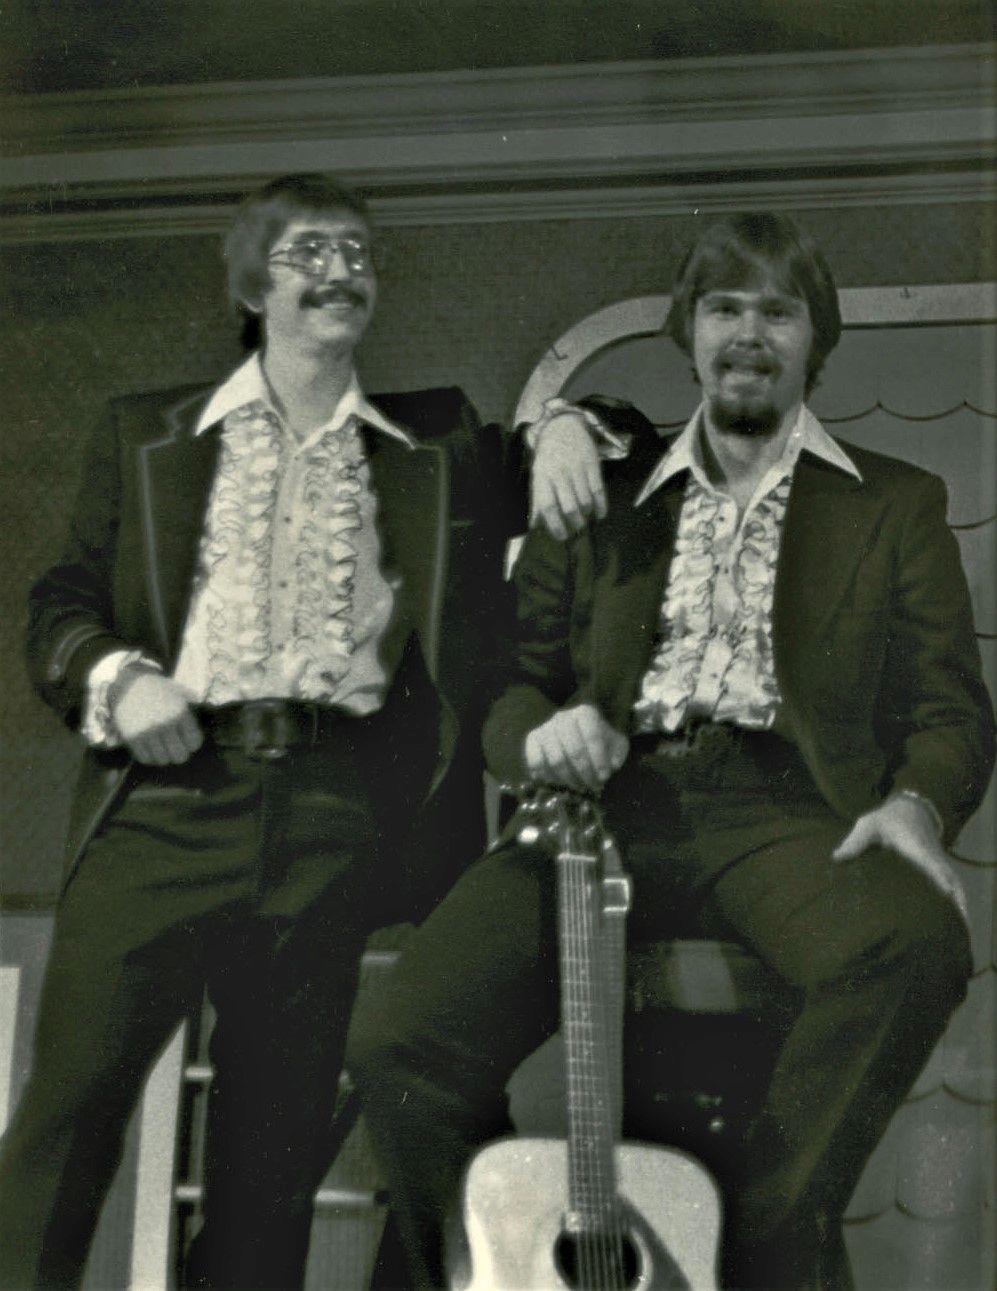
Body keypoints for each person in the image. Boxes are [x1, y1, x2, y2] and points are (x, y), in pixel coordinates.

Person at [348, 211, 996, 1289]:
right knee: (398, 1041)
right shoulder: (601, 492)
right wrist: (538, 734)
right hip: (601, 808)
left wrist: (915, 804)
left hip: (785, 817)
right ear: (688, 331)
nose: (748, 334)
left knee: (917, 940)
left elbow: (950, 711)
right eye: (723, 308)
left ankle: (755, 1243)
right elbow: (510, 678)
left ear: (816, 340)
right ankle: (494, 1265)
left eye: (778, 312)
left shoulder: (892, 503)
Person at [0, 172, 611, 1291]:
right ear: (251, 284)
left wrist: (568, 424)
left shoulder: (432, 442)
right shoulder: (146, 431)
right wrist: (119, 678)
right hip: (165, 805)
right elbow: (59, 605)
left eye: (358, 253)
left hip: (333, 817)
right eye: (308, 252)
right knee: (67, 1117)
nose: (341, 272)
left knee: (267, 1156)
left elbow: (632, 433)